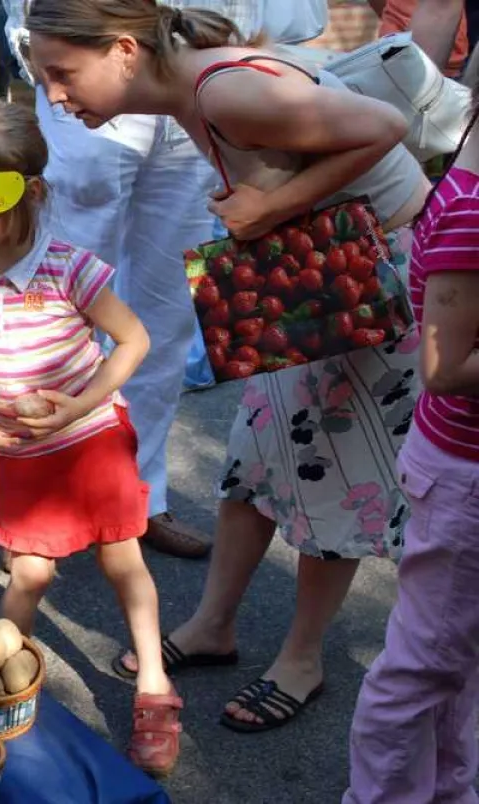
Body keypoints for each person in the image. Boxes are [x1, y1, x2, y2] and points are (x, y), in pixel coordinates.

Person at [26, 0, 431, 732]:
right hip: (304, 267)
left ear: (123, 50)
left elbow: (387, 129)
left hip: (371, 283)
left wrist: (271, 205)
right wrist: (272, 215)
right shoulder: (188, 90)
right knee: (254, 460)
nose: (55, 94)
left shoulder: (223, 91)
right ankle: (216, 623)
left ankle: (302, 658)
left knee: (335, 479)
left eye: (62, 73)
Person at [0, 101, 180, 777]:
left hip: (90, 438)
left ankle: (153, 686)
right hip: (20, 452)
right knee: (29, 572)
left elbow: (134, 339)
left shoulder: (67, 269)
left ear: (28, 194)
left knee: (124, 561)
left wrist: (78, 405)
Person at [2, 0, 291, 560]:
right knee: (60, 305)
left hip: (185, 75)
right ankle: (42, 500)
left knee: (167, 314)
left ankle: (139, 494)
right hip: (93, 56)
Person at [344, 81, 479, 804]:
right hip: (465, 479)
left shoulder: (467, 179)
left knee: (454, 660)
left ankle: (449, 790)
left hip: (457, 469)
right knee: (424, 664)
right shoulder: (474, 215)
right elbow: (446, 367)